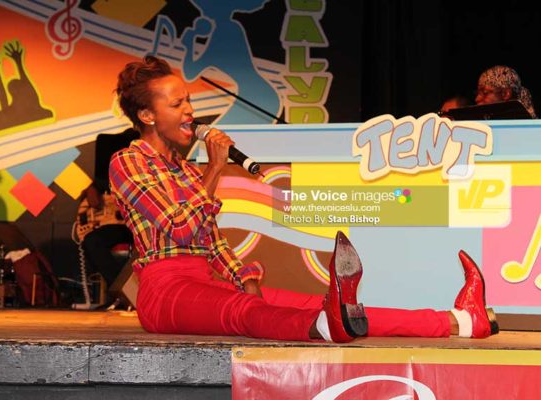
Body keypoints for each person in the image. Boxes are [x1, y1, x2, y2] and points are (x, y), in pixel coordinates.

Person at [108, 55, 499, 343]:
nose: (190, 112)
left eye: (188, 101)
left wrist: (245, 278)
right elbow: (180, 228)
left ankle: (460, 321)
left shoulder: (185, 171)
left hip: (205, 281)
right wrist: (214, 168)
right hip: (164, 293)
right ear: (147, 115)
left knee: (321, 304)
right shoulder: (127, 163)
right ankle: (324, 328)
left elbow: (211, 242)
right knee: (245, 313)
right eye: (177, 104)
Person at [78, 128, 138, 299]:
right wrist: (91, 189)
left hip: (144, 228)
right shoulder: (107, 176)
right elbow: (95, 193)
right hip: (120, 226)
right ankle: (123, 291)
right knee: (92, 241)